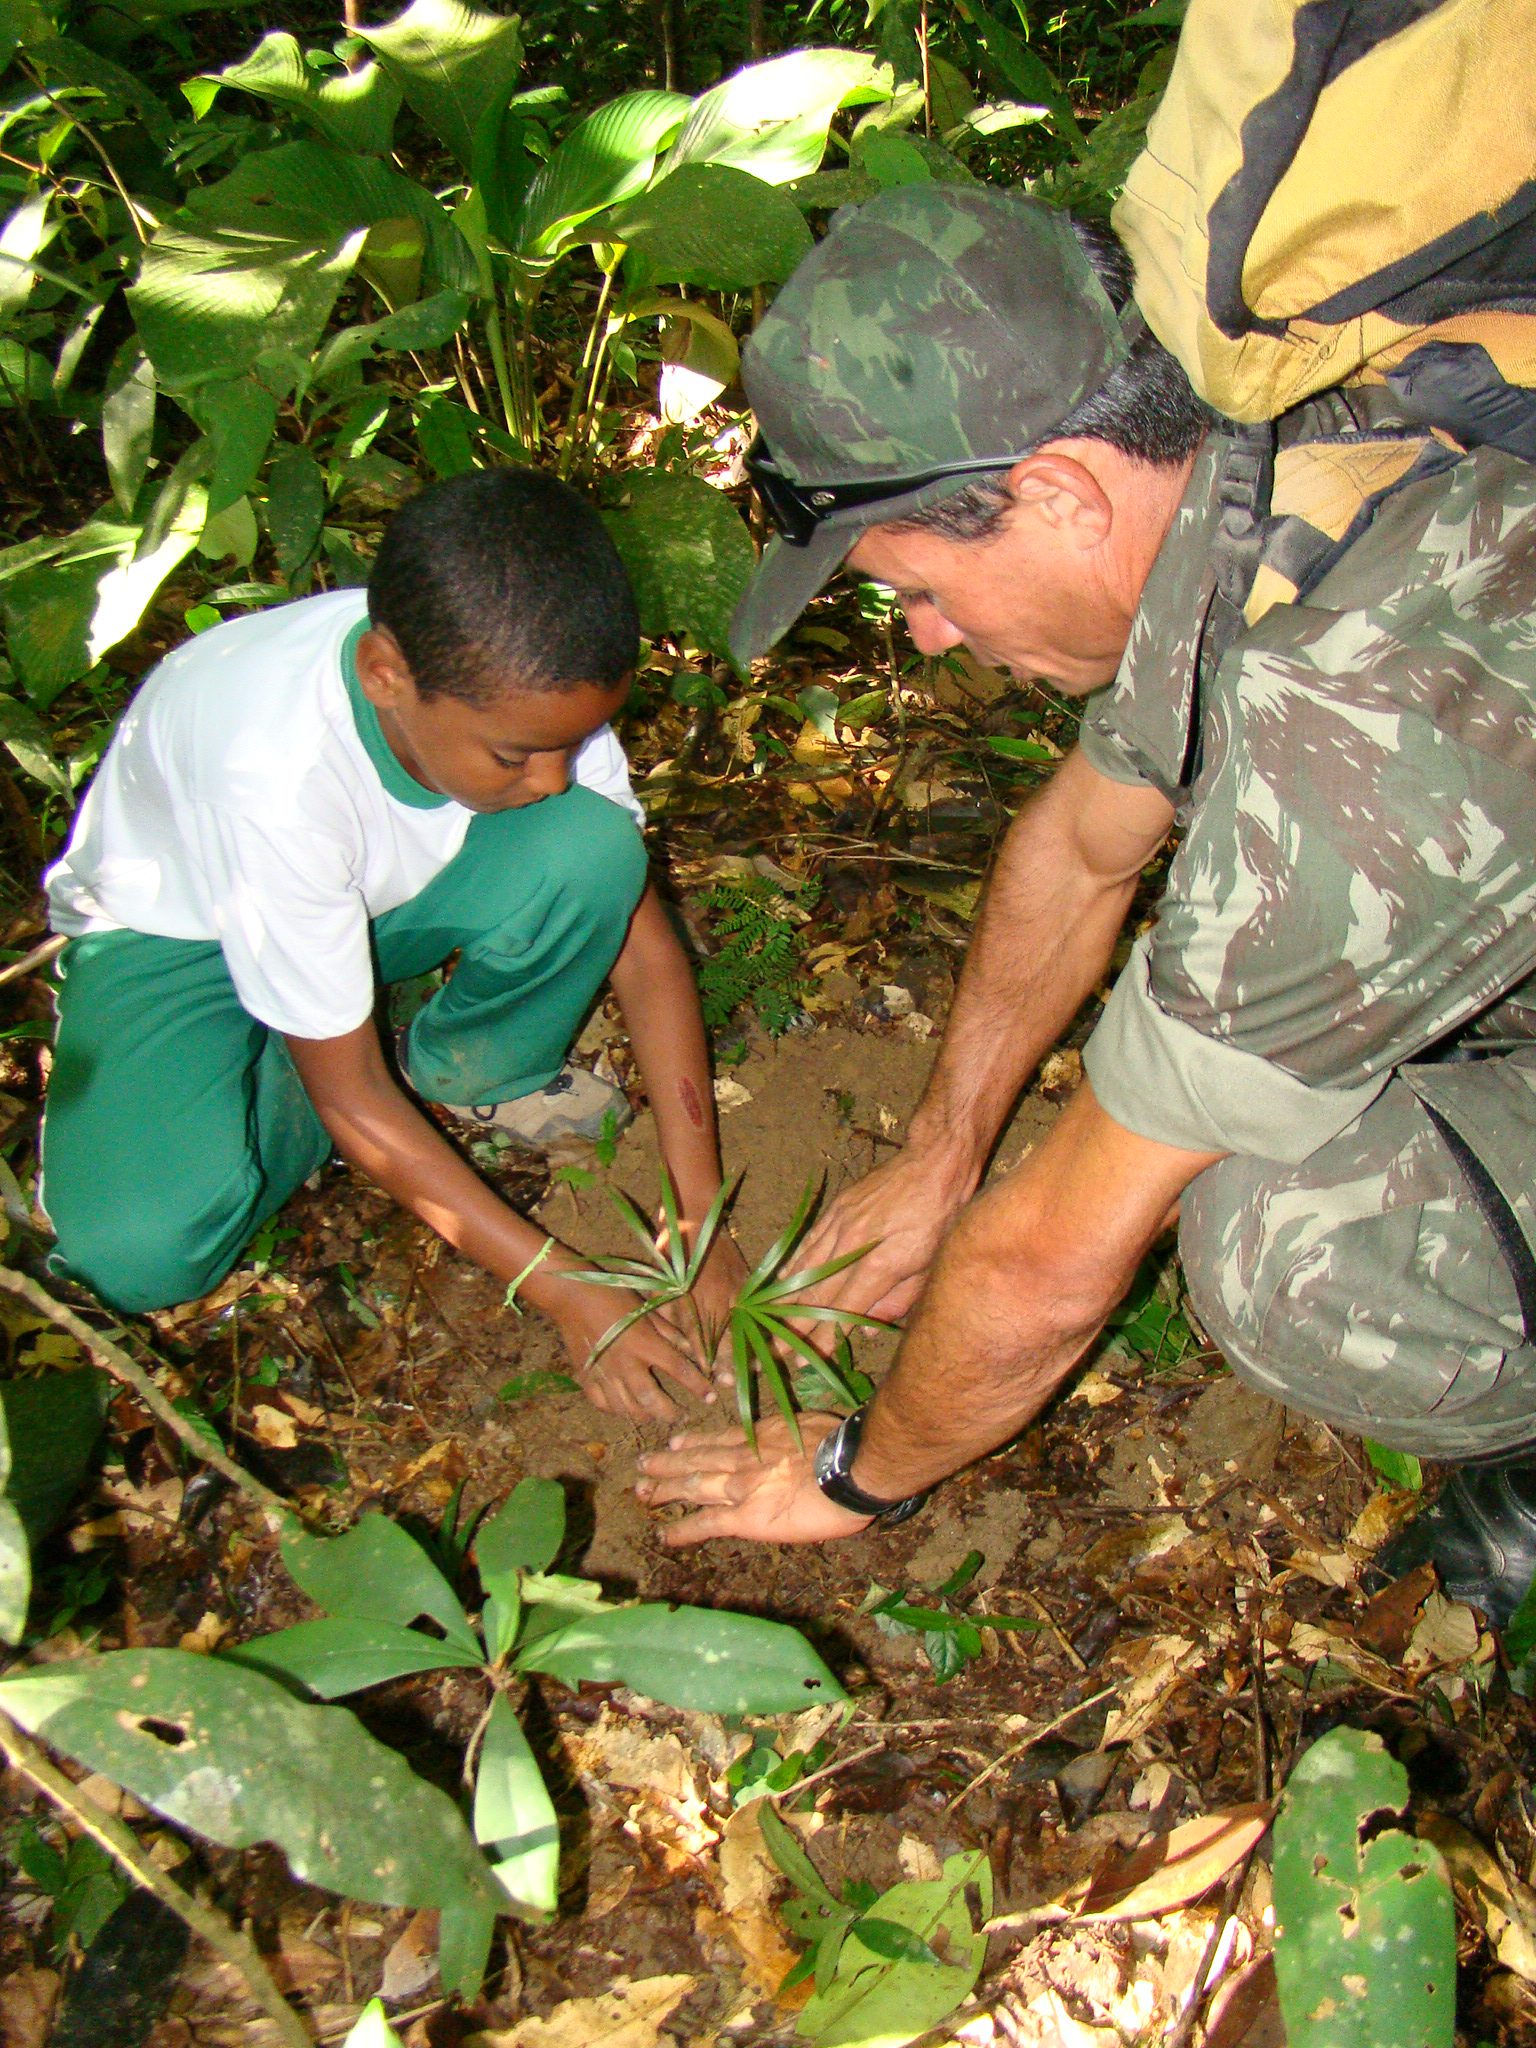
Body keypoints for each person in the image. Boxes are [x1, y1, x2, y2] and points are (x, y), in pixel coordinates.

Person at [635, 184, 1536, 1623]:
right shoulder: (1272, 444)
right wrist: (943, 1152)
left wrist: (855, 1472)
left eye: (919, 588)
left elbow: (1055, 1261)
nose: (929, 638)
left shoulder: (1351, 728)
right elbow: (1078, 846)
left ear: (1060, 492)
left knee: (1282, 1235)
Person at [42, 467, 744, 1422]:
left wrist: (698, 1212)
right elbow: (353, 1102)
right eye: (516, 755)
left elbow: (645, 949)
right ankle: (308, 1044)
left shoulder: (523, 685)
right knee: (143, 1251)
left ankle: (460, 1064)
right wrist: (564, 1288)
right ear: (385, 674)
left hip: (376, 902)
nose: (549, 777)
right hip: (180, 936)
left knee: (591, 847)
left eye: (573, 746)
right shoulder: (270, 768)